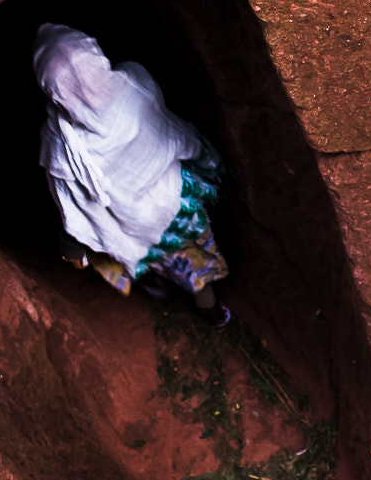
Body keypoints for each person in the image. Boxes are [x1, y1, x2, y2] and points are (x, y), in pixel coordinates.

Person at [33, 23, 230, 323]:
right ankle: (212, 312)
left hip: (132, 225)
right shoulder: (137, 83)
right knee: (196, 262)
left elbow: (71, 205)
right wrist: (207, 159)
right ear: (95, 54)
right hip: (177, 201)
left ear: (53, 91)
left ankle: (157, 285)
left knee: (148, 257)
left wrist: (71, 246)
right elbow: (171, 130)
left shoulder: (58, 144)